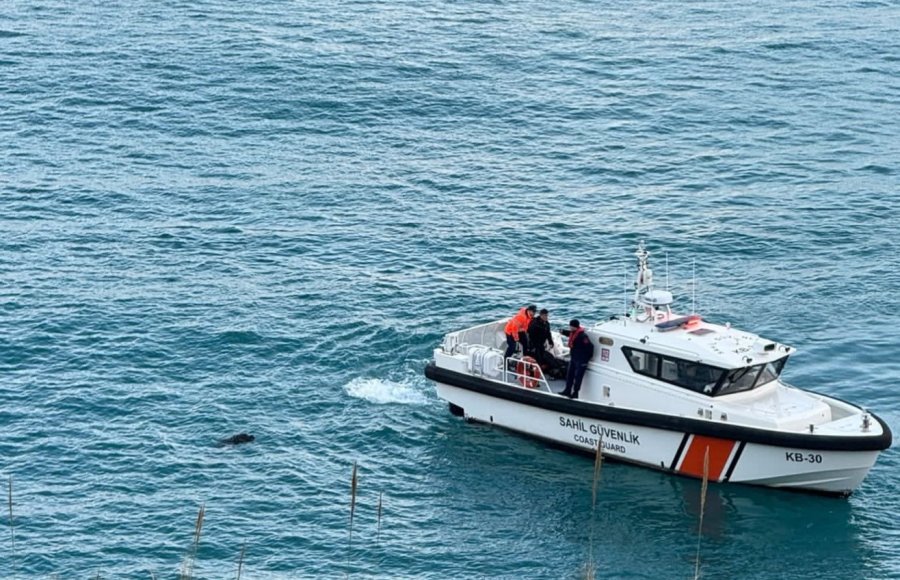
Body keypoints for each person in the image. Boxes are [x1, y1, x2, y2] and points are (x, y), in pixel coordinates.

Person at [561, 319, 594, 399]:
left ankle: (575, 392)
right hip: (574, 357)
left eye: (571, 326)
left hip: (581, 359)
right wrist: (563, 332)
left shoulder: (583, 336)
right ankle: (567, 390)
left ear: (574, 326)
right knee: (570, 375)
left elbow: (590, 346)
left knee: (578, 377)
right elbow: (570, 334)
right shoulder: (573, 333)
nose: (570, 327)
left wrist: (587, 357)